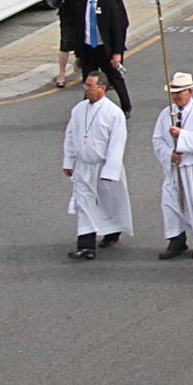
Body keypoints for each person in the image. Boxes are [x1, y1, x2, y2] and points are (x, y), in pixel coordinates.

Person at [61, 70, 133, 260]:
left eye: (90, 86)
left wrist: (110, 170)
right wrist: (69, 162)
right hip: (84, 167)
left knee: (108, 203)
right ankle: (86, 246)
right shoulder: (78, 109)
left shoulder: (113, 113)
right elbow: (70, 136)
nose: (86, 89)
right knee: (84, 204)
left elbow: (117, 144)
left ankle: (112, 231)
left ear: (102, 88)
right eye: (85, 85)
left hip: (103, 167)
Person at [154, 71, 193, 260]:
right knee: (171, 203)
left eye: (180, 91)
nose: (176, 96)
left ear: (190, 91)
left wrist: (181, 136)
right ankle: (176, 240)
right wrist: (169, 154)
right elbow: (157, 139)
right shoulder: (166, 114)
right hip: (175, 167)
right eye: (173, 92)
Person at [75, 0, 131, 113]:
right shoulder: (81, 5)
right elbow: (79, 30)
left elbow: (117, 29)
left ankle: (126, 107)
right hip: (89, 49)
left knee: (115, 79)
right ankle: (88, 108)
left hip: (105, 49)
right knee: (88, 81)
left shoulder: (109, 2)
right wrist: (78, 55)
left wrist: (117, 52)